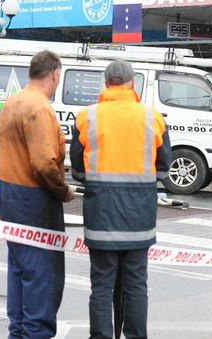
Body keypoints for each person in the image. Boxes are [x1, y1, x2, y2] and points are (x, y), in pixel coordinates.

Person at [70, 60, 171, 339]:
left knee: (101, 285)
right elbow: (163, 166)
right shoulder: (152, 117)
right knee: (136, 283)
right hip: (139, 216)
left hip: (101, 214)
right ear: (132, 83)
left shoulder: (87, 116)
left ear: (106, 83)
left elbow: (77, 168)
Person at [0, 50, 74, 339]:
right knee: (42, 273)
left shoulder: (13, 101)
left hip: (7, 191)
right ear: (55, 74)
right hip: (33, 198)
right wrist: (62, 190)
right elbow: (43, 163)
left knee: (20, 269)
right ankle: (35, 333)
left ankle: (19, 331)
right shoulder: (39, 108)